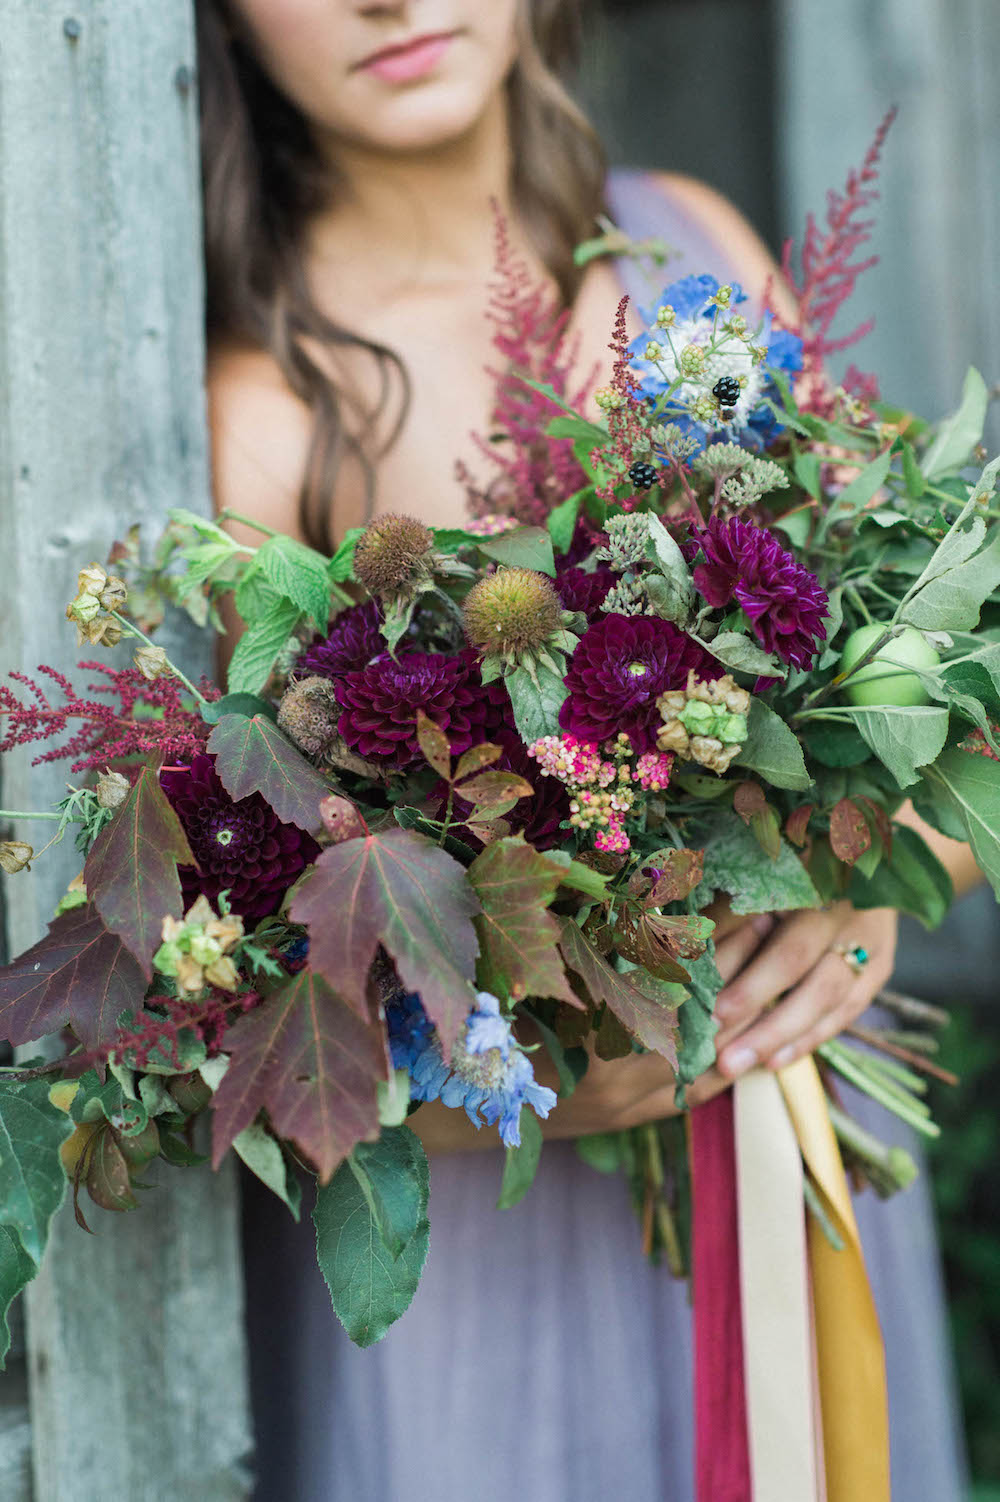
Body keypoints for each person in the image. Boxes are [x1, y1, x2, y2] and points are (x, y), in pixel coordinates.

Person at [197, 3, 976, 1497]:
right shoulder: (272, 410)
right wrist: (492, 1075)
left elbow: (932, 715)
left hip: (787, 1150)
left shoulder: (691, 246)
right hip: (495, 1272)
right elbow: (235, 975)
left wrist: (864, 888)